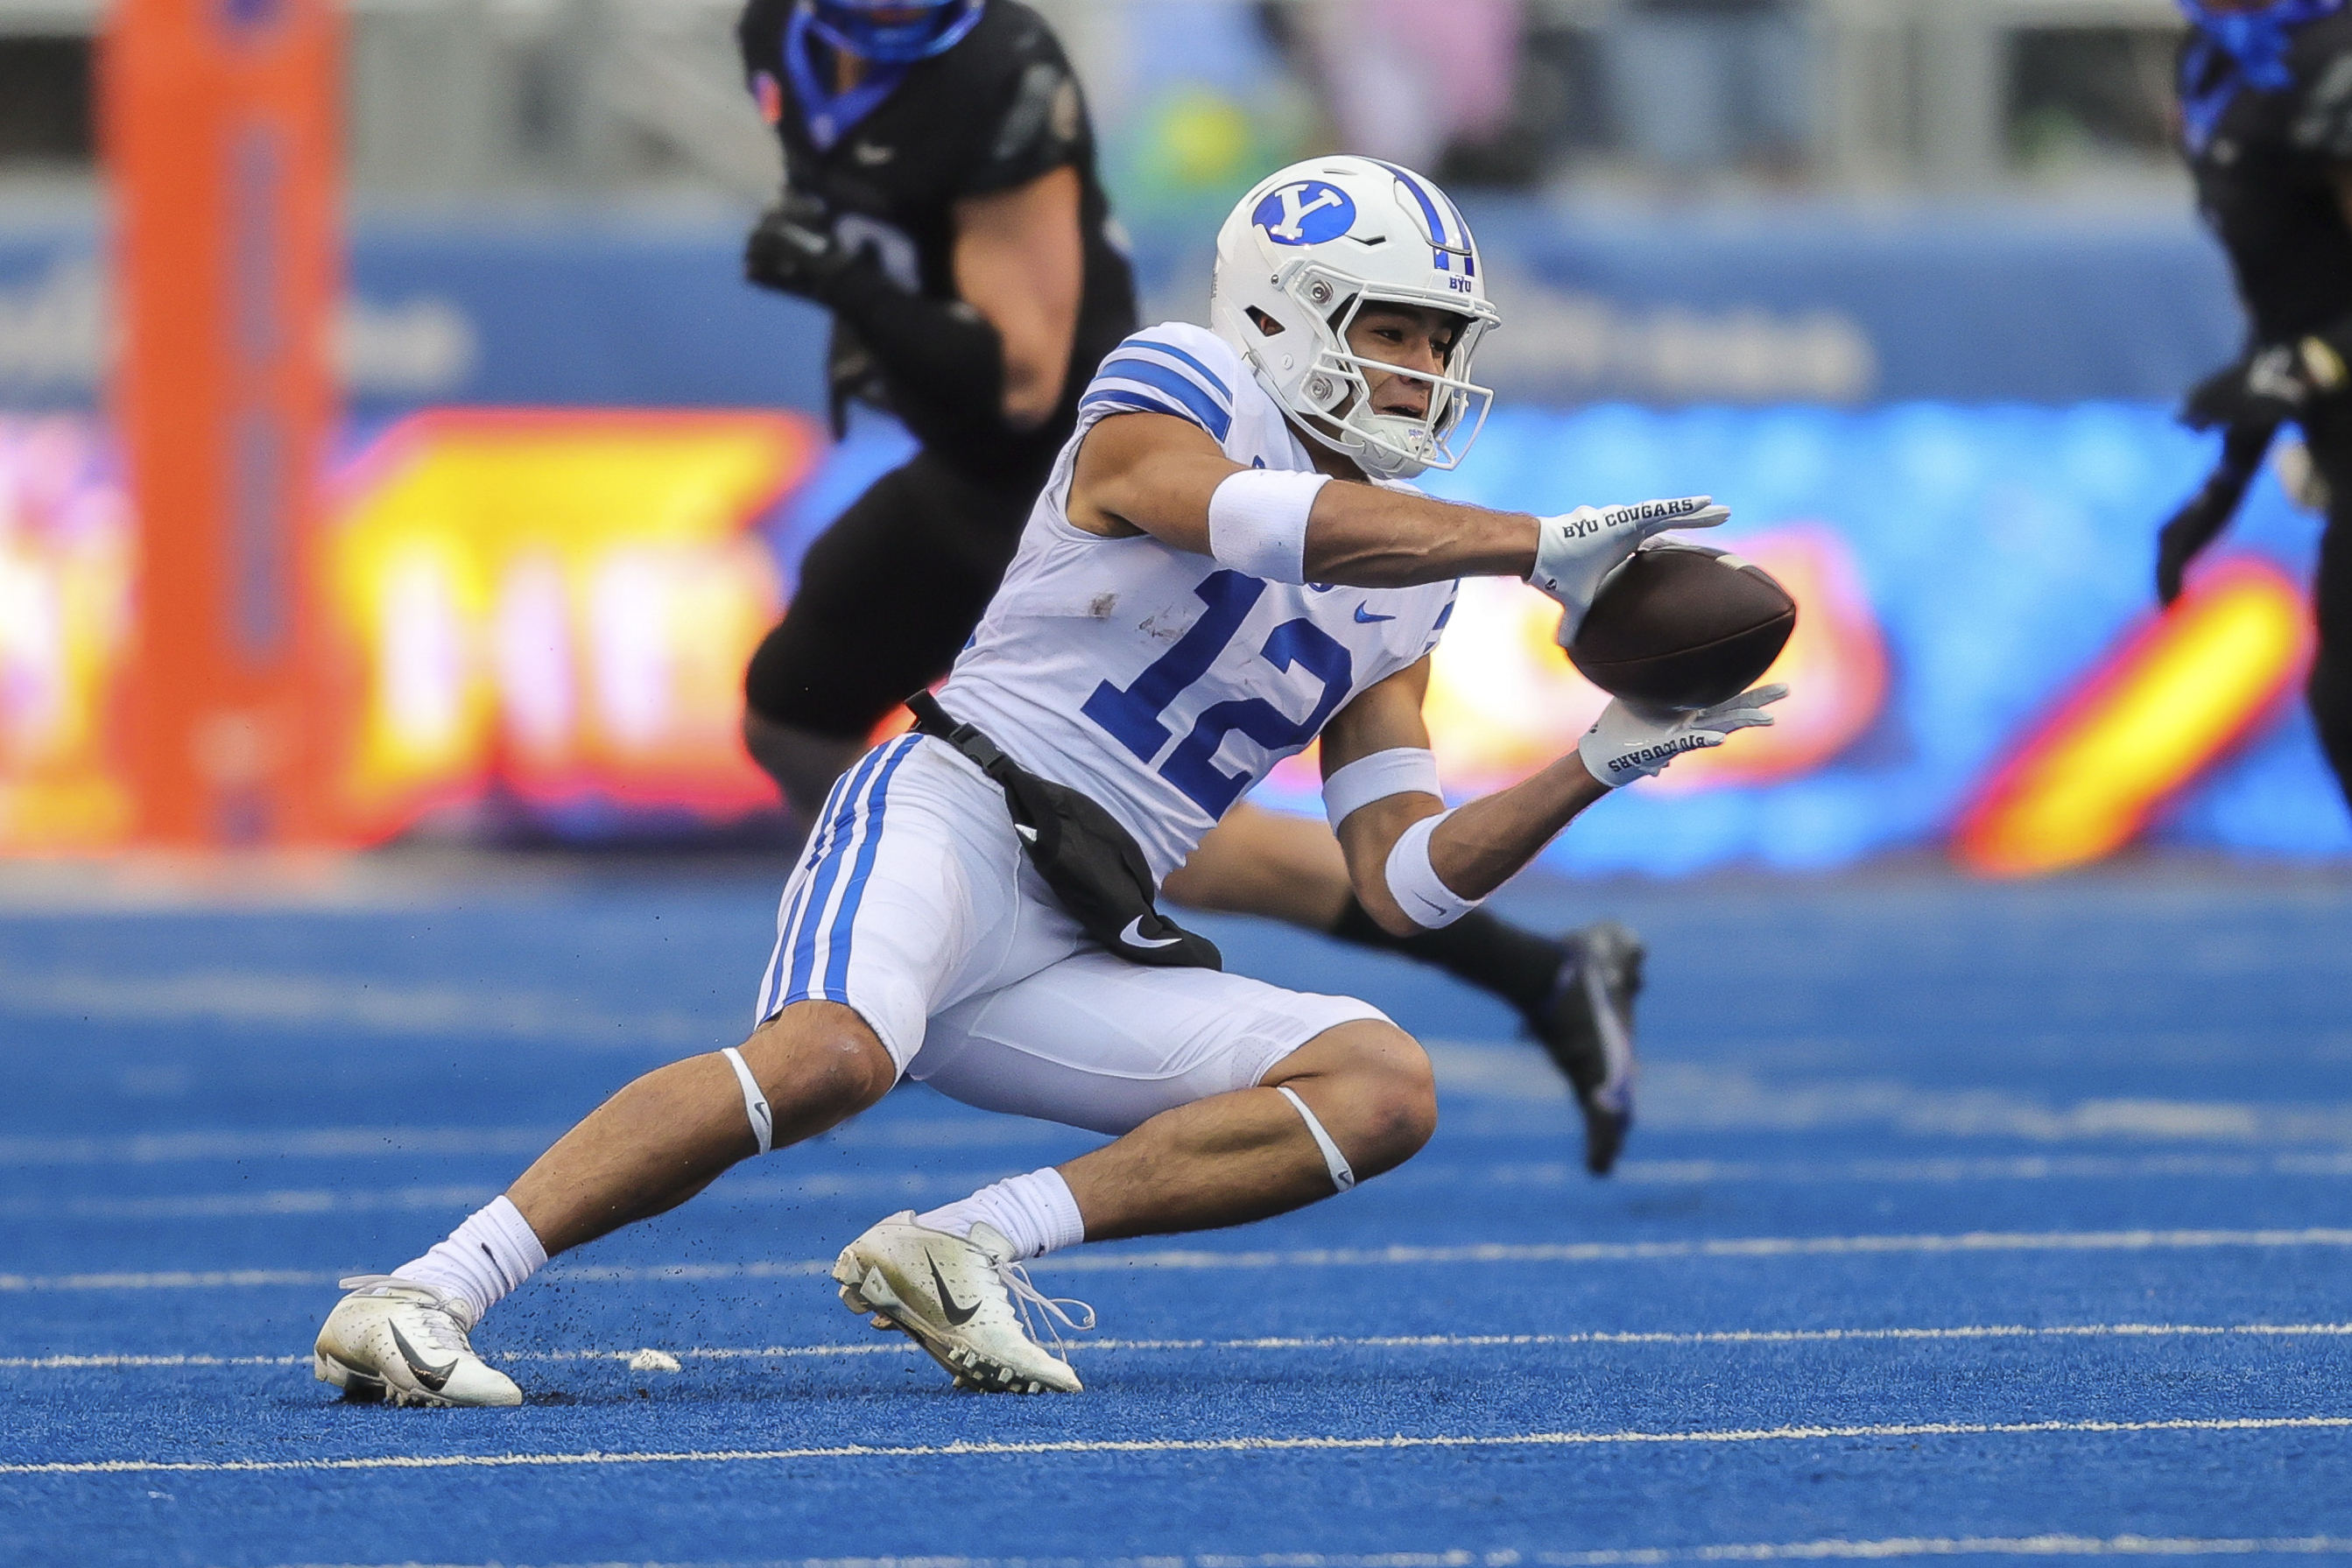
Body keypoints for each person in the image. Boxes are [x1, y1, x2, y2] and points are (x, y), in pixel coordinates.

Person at [311, 155, 1783, 1407]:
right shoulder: (1182, 380)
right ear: (1281, 311)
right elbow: (1229, 516)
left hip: (1083, 918)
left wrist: (1592, 763)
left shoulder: (1414, 587)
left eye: (1439, 340)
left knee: (1383, 1082)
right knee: (831, 1056)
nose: (1423, 370)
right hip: (950, 811)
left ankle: (964, 1244)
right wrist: (1529, 544)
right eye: (1391, 329)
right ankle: (421, 1295)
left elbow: (1400, 880)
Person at [734, 0, 1650, 1171]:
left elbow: (1019, 376)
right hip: (958, 464)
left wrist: (867, 303)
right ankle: (903, 945)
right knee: (794, 711)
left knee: (1099, 806)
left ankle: (921, 957)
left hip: (1076, 467)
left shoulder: (995, 67)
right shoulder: (787, 38)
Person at [2158, 0, 2352, 810]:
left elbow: (2303, 342)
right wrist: (2223, 486)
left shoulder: (2331, 60)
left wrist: (2307, 367)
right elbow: (2289, 302)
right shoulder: (2213, 61)